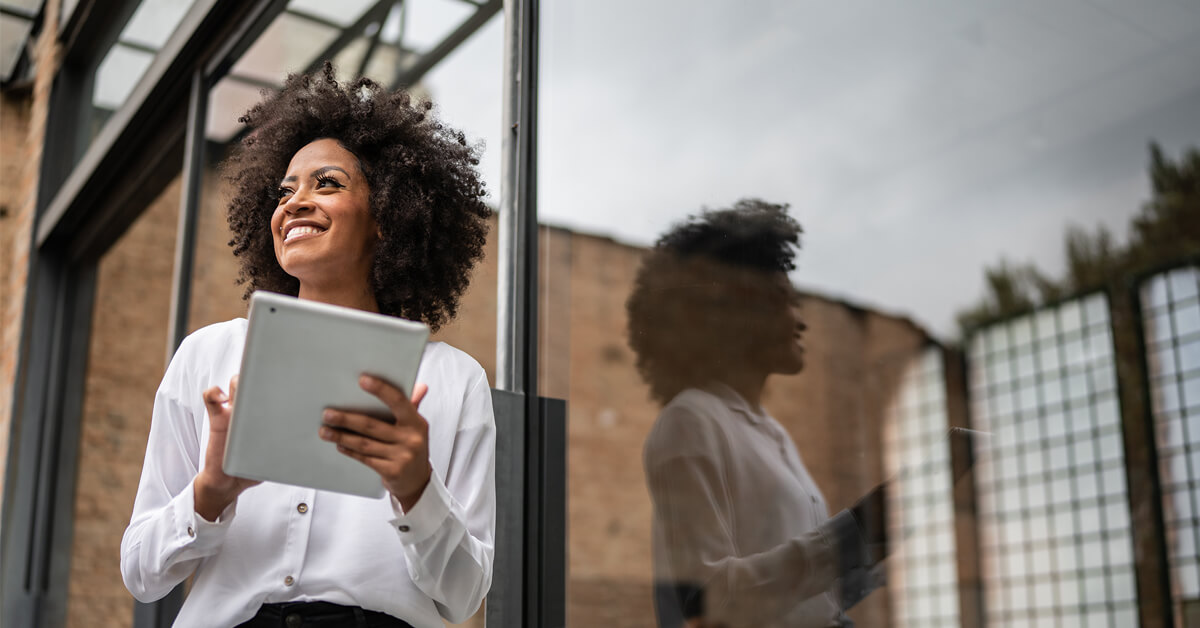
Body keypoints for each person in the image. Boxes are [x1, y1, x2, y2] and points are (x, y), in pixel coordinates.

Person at [120, 63, 495, 628]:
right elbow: (141, 573)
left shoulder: (453, 379)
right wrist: (210, 493)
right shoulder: (207, 356)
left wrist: (418, 491)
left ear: (387, 218)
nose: (293, 203)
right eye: (284, 190)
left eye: (327, 183)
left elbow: (464, 597)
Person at [626, 200, 888, 628]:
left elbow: (798, 598)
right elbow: (707, 600)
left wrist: (878, 547)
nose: (801, 322)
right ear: (732, 315)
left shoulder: (773, 433)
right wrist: (854, 538)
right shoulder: (690, 422)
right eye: (783, 301)